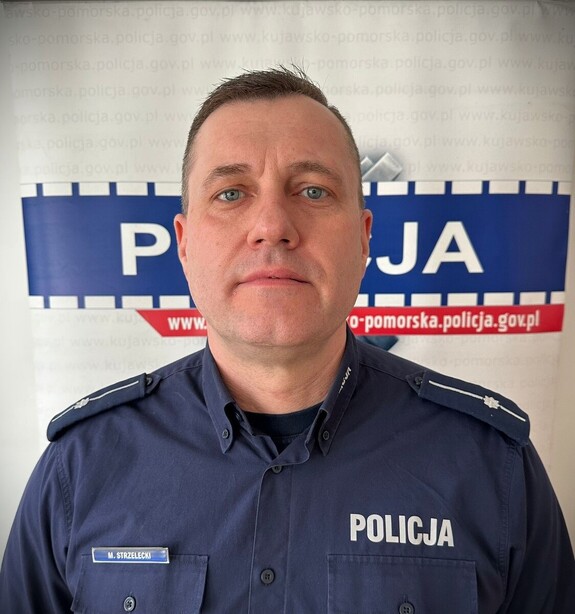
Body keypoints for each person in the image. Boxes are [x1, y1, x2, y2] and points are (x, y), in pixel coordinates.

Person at [1, 66, 574, 613]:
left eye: (314, 191)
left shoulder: (491, 464)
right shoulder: (81, 466)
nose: (272, 225)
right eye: (231, 193)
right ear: (183, 243)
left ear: (364, 237)